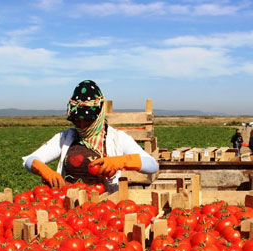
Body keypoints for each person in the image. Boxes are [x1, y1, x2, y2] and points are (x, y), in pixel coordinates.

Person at [22, 80, 159, 193]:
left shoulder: (117, 139)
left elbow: (152, 165)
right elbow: (30, 160)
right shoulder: (66, 138)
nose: (82, 125)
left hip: (103, 205)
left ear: (99, 115)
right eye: (77, 120)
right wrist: (44, 170)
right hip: (70, 204)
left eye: (87, 120)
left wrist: (121, 161)